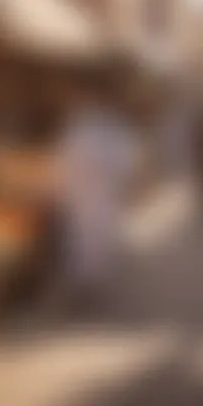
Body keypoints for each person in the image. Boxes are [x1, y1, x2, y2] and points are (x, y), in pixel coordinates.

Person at [55, 66, 137, 307]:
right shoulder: (88, 129)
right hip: (88, 193)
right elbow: (124, 162)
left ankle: (87, 286)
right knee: (85, 239)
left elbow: (122, 161)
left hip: (93, 193)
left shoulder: (91, 130)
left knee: (90, 239)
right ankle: (85, 286)